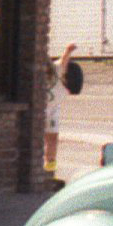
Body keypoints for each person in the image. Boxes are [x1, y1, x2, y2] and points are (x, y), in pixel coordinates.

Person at [46, 42, 78, 176]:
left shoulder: (57, 70)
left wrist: (68, 51)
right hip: (39, 110)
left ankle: (50, 166)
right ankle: (40, 164)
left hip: (52, 110)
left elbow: (64, 61)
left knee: (52, 138)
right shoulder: (35, 77)